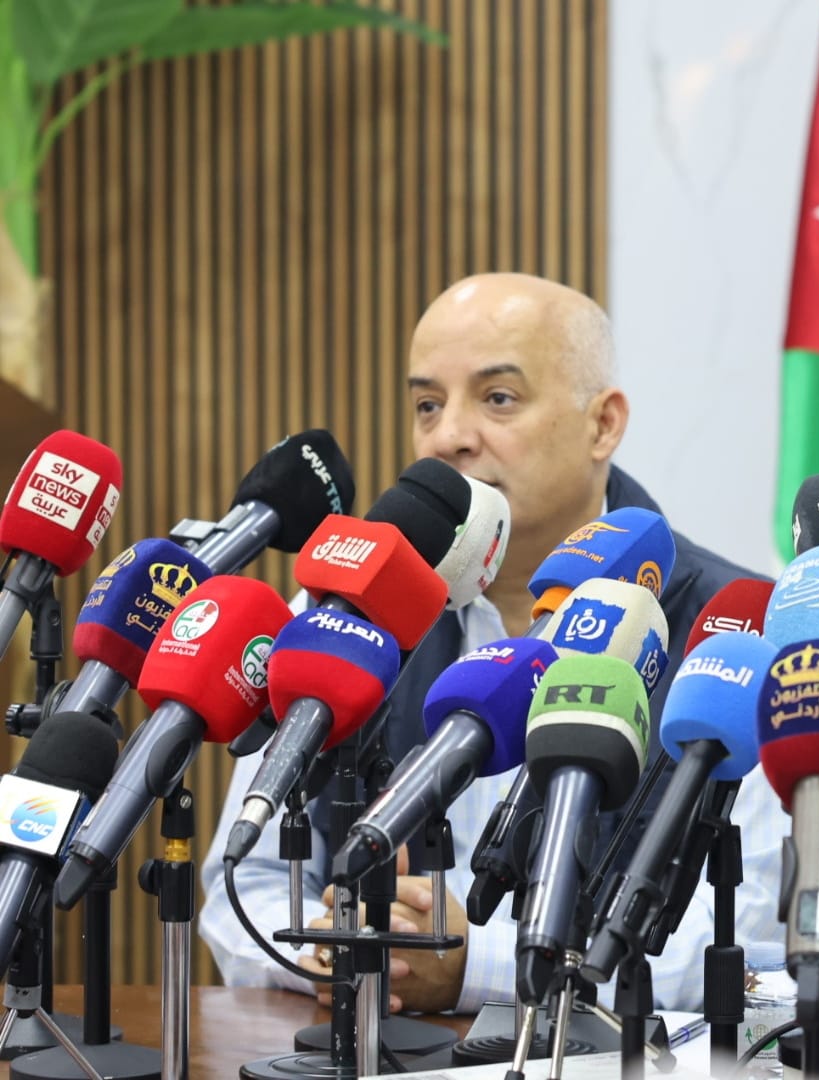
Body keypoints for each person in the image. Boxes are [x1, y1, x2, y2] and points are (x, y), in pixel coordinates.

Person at [199, 272, 787, 1014]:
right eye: (427, 405)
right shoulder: (345, 611)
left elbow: (748, 938)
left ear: (603, 425)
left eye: (498, 398)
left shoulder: (735, 631)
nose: (449, 436)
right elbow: (242, 880)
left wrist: (474, 965)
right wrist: (330, 947)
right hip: (376, 1045)